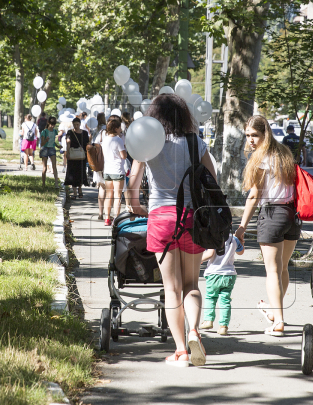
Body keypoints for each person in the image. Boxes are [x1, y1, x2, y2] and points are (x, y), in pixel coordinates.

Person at [127, 93, 215, 367]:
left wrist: (139, 208)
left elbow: (132, 191)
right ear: (184, 116)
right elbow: (213, 183)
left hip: (161, 219)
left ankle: (180, 351)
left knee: (172, 288)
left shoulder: (148, 144)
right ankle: (193, 331)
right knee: (191, 284)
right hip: (192, 218)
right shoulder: (195, 143)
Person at [234, 115, 298, 337]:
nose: (251, 140)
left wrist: (242, 227)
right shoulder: (284, 153)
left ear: (265, 134)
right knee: (282, 268)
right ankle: (275, 312)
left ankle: (278, 321)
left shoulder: (260, 158)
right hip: (291, 215)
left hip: (272, 214)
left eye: (255, 135)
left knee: (272, 270)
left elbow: (254, 195)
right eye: (248, 136)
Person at [199, 232, 245, 336]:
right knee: (225, 300)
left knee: (211, 297)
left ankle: (208, 320)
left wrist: (199, 259)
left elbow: (210, 254)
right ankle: (223, 326)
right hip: (229, 275)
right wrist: (241, 240)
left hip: (214, 274)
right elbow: (241, 251)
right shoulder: (233, 238)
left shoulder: (213, 236)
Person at [101, 115, 127, 226]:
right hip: (117, 170)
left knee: (108, 195)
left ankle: (107, 218)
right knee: (117, 196)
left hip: (107, 170)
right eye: (120, 128)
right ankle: (116, 219)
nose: (121, 130)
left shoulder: (105, 139)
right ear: (116, 128)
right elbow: (124, 156)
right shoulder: (118, 140)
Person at [63, 117, 90, 199]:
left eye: (77, 124)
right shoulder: (70, 132)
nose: (76, 126)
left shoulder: (85, 133)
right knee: (72, 174)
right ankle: (75, 192)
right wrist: (67, 153)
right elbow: (68, 143)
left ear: (80, 124)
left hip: (81, 156)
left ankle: (80, 189)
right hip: (72, 156)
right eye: (74, 124)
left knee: (81, 173)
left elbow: (87, 143)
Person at [92, 113, 108, 219]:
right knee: (109, 189)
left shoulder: (96, 130)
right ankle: (107, 214)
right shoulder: (106, 130)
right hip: (108, 162)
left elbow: (93, 145)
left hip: (99, 161)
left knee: (101, 188)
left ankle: (100, 213)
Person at [39, 116, 60, 188]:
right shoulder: (44, 132)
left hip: (52, 148)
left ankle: (56, 183)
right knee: (44, 167)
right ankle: (43, 184)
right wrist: (46, 140)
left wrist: (57, 146)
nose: (52, 126)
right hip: (45, 149)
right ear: (48, 123)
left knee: (54, 166)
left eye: (54, 124)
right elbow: (41, 144)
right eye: (51, 124)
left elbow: (54, 141)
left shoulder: (55, 131)